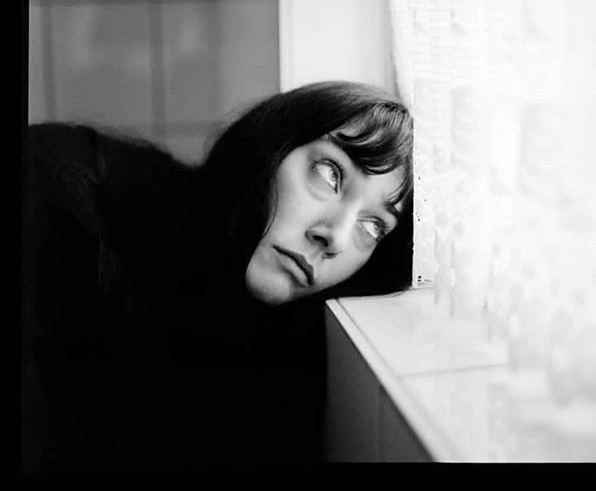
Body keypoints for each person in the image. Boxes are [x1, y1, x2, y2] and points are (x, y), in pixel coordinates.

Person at [21, 80, 413, 472]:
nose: (336, 238)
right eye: (330, 173)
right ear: (271, 143)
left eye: (374, 226)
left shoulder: (289, 371)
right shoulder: (67, 190)